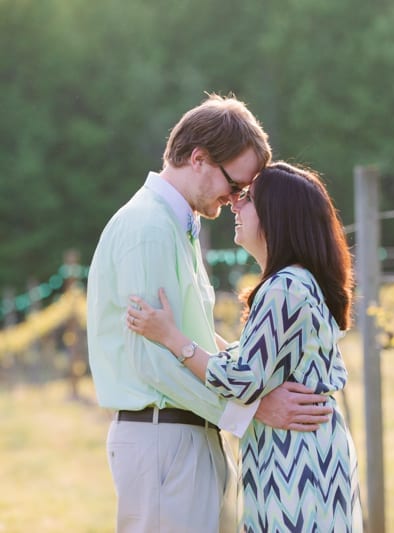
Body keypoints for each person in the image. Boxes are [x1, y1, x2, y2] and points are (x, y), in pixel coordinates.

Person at [86, 95, 333, 533]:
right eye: (235, 184)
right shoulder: (148, 229)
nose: (236, 198)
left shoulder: (177, 227)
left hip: (191, 434)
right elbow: (153, 362)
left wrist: (251, 376)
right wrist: (253, 408)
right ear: (198, 159)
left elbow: (188, 336)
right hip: (165, 438)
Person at [127, 161, 363, 532]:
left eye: (248, 198)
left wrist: (171, 337)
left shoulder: (284, 288)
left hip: (295, 463)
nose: (235, 204)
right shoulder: (297, 283)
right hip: (302, 453)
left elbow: (241, 379)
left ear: (277, 215)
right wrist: (188, 332)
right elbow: (248, 359)